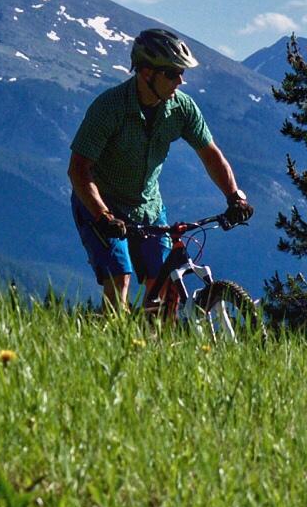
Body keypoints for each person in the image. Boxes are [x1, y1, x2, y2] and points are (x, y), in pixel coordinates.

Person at [67, 27, 252, 314]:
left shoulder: (182, 108)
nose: (179, 80)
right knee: (119, 278)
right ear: (145, 72)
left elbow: (210, 154)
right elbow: (78, 169)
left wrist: (234, 196)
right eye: (171, 73)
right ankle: (110, 339)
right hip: (102, 206)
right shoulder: (109, 108)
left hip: (149, 207)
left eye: (182, 73)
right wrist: (103, 215)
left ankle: (156, 348)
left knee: (165, 284)